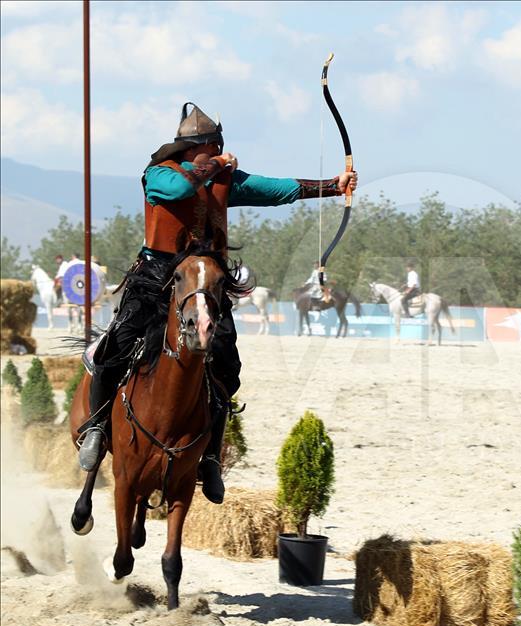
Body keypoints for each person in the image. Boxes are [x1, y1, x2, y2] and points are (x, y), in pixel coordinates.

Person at [77, 102, 357, 504]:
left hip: (206, 284)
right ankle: (98, 429)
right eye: (213, 147)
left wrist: (333, 185)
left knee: (227, 366)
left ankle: (208, 456)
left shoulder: (224, 180)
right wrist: (219, 163)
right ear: (197, 148)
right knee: (114, 349)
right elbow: (178, 190)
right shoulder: (158, 174)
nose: (218, 152)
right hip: (156, 278)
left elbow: (276, 189)